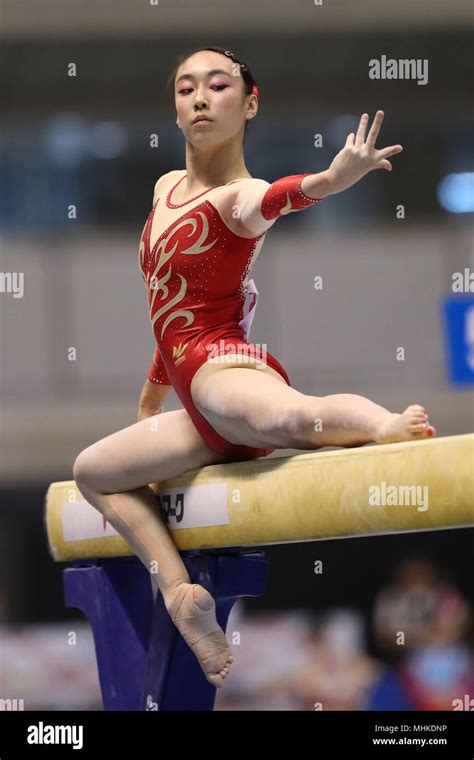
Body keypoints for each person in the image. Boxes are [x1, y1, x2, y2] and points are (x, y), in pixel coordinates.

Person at [73, 46, 436, 689]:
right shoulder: (164, 190)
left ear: (250, 103)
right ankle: (183, 597)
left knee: (296, 417)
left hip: (223, 370)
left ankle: (381, 428)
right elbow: (167, 312)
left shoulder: (238, 197)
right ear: (176, 107)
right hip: (196, 402)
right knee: (93, 472)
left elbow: (276, 200)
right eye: (186, 88)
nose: (201, 98)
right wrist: (148, 410)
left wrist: (330, 180)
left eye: (218, 85)